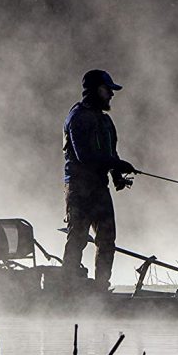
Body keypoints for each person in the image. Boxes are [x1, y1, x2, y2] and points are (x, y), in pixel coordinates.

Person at [61, 69, 137, 290]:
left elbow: (110, 154)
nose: (111, 95)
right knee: (79, 236)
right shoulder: (77, 118)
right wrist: (115, 165)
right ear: (94, 91)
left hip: (99, 187)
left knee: (107, 238)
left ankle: (101, 287)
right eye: (107, 90)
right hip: (78, 187)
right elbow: (85, 157)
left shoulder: (106, 122)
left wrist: (117, 176)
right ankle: (68, 287)